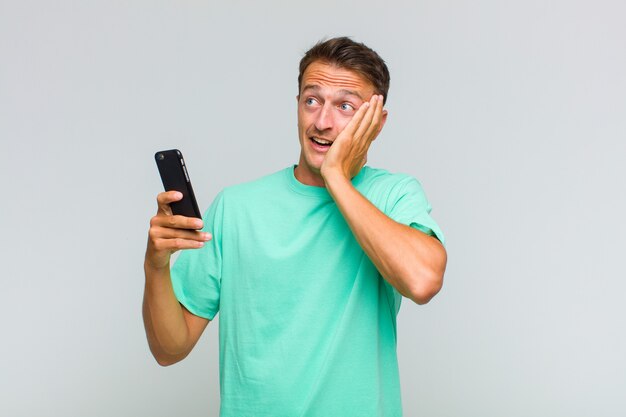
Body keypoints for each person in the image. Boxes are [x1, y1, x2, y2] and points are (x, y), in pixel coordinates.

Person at [143, 37, 447, 416]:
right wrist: (155, 267)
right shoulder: (237, 208)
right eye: (312, 100)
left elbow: (422, 281)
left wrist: (335, 176)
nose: (322, 121)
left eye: (345, 106)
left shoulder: (393, 196)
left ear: (377, 122)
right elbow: (169, 350)